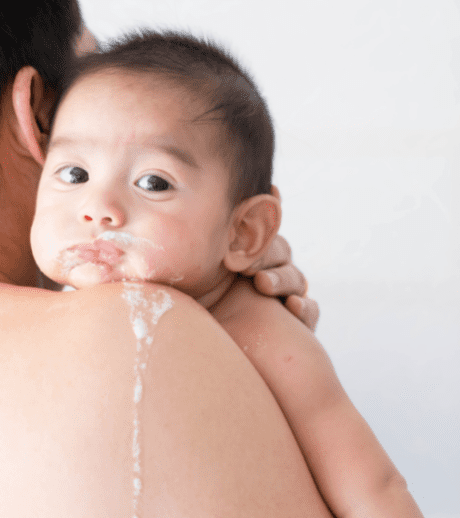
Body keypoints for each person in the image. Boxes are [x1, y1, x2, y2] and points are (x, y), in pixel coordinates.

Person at [30, 29, 424, 517]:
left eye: (152, 182)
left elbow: (377, 488)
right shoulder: (53, 320)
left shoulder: (266, 337)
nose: (98, 208)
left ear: (242, 233)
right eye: (74, 174)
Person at [0, 1, 331, 515]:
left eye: (153, 182)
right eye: (81, 87)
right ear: (39, 113)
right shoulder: (139, 329)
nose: (104, 211)